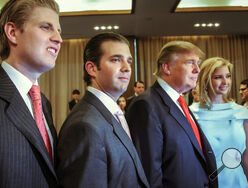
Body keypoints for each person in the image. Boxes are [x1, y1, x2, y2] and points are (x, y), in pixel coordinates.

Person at [56, 32, 149, 188]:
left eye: (129, 61)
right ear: (92, 68)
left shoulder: (112, 113)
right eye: (116, 60)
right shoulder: (84, 126)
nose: (127, 68)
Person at [126, 41, 218, 188]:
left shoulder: (178, 101)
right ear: (167, 67)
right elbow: (149, 174)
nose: (197, 70)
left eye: (198, 63)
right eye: (190, 63)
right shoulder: (146, 105)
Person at [0, 0, 62, 187]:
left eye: (59, 31)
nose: (59, 39)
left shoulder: (43, 103)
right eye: (46, 27)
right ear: (12, 32)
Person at [190, 57, 248, 187]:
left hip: (237, 182)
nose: (225, 82)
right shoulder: (191, 114)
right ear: (206, 80)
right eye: (218, 77)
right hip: (204, 182)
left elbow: (247, 158)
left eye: (227, 76)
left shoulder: (242, 113)